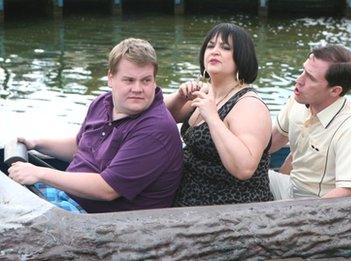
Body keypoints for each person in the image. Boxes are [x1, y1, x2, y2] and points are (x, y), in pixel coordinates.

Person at [8, 38, 183, 213]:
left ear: (154, 80)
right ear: (111, 78)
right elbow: (80, 146)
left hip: (99, 220)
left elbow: (107, 189)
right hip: (67, 196)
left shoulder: (155, 130)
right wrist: (37, 143)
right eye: (129, 80)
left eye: (145, 80)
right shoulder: (102, 103)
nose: (137, 89)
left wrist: (39, 173)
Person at [165, 23, 273, 206]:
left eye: (225, 48)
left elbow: (244, 168)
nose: (215, 51)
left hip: (228, 210)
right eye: (210, 46)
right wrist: (179, 97)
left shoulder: (249, 105)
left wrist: (213, 118)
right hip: (186, 198)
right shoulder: (207, 93)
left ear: (241, 58)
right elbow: (162, 117)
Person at [269, 44, 351, 199]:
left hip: (319, 204)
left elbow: (347, 191)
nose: (299, 80)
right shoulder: (299, 99)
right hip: (289, 186)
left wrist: (299, 214)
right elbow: (273, 139)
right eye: (303, 70)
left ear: (335, 91)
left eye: (310, 78)